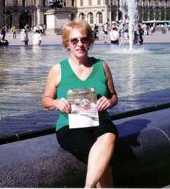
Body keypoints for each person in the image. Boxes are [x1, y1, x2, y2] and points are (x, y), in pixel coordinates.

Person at [41, 20, 118, 188]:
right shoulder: (58, 69)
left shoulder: (101, 65)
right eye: (74, 40)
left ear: (89, 42)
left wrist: (109, 102)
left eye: (84, 40)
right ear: (67, 44)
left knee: (109, 134)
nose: (79, 44)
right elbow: (45, 100)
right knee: (101, 160)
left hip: (99, 121)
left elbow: (114, 96)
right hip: (69, 126)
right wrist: (56, 102)